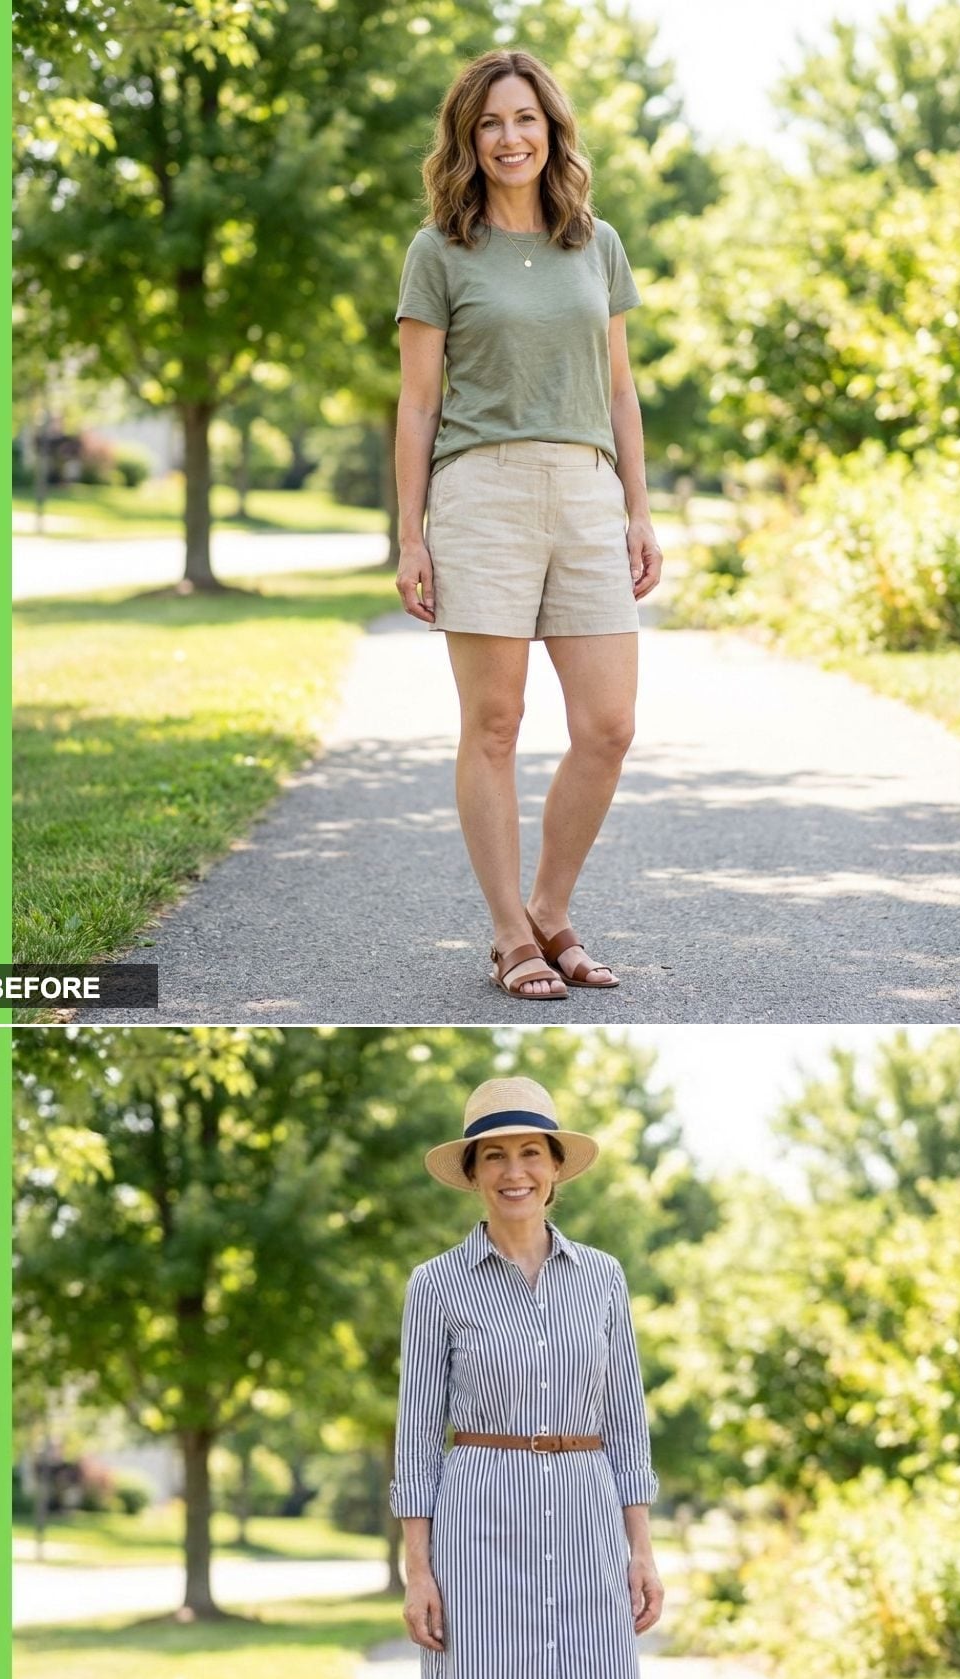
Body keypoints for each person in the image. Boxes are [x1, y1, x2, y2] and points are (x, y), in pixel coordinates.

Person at [391, 1076, 665, 1679]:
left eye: (531, 1153)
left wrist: (642, 1545)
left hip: (588, 1514)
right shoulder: (436, 1285)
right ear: (472, 1174)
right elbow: (417, 1432)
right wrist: (416, 1565)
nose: (515, 1170)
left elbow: (627, 1420)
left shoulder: (603, 1277)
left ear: (556, 1173)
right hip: (483, 1515)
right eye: (494, 1154)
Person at [394, 49, 663, 1003]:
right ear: (468, 141)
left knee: (608, 725)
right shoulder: (439, 251)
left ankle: (552, 910)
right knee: (496, 722)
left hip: (587, 488)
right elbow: (418, 403)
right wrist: (412, 533)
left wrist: (637, 506)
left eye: (525, 121)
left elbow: (621, 388)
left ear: (552, 131)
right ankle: (509, 933)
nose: (510, 139)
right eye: (490, 125)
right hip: (481, 492)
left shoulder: (598, 244)